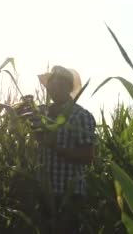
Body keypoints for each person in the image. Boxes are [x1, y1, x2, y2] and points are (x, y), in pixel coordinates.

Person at [35, 65, 96, 234]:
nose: (51, 89)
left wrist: (53, 145)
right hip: (44, 191)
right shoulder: (43, 113)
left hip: (68, 195)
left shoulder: (80, 116)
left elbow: (87, 157)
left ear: (67, 87)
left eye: (55, 84)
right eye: (50, 85)